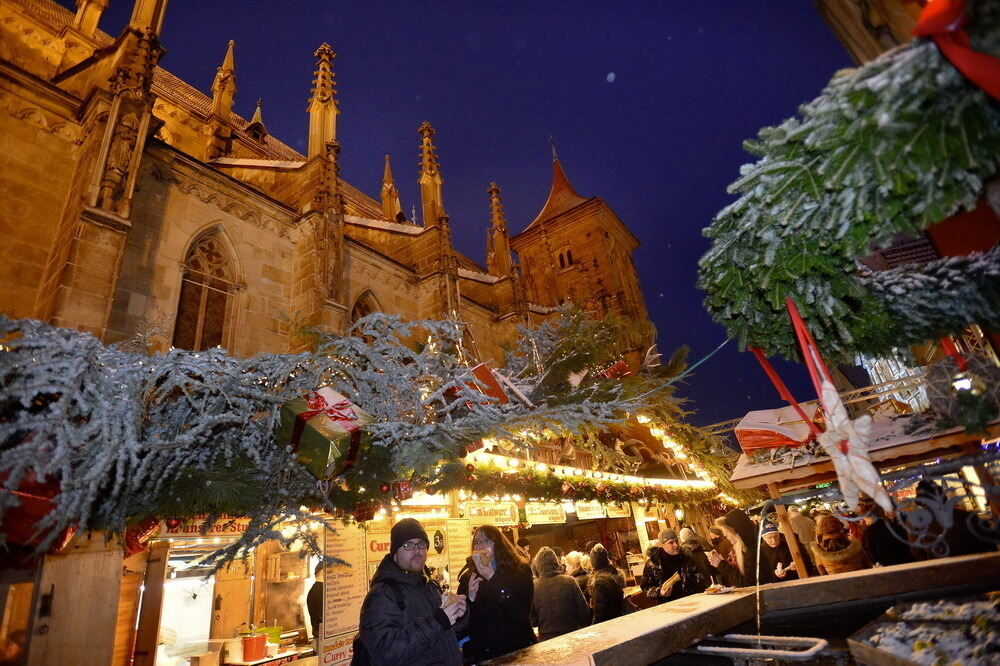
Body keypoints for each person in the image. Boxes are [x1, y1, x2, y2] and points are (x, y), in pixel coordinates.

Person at [356, 518, 467, 665]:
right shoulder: (382, 595)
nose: (417, 550)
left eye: (421, 544)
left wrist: (458, 616)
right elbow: (385, 652)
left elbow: (447, 635)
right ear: (395, 553)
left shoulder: (430, 586)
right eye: (408, 545)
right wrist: (437, 622)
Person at [457, 524, 535, 662]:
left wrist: (493, 578)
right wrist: (470, 600)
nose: (481, 546)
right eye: (477, 541)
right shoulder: (468, 578)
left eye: (487, 540)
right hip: (485, 654)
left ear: (498, 544)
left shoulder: (520, 571)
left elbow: (521, 612)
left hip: (517, 650)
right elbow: (464, 625)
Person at [529, 547, 591, 640]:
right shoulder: (570, 581)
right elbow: (584, 613)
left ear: (537, 566)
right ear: (556, 562)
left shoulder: (534, 587)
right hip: (572, 637)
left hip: (547, 640)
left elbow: (533, 621)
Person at [708, 509, 776, 587]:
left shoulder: (752, 552)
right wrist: (720, 561)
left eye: (726, 531)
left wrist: (721, 564)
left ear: (738, 531)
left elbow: (747, 583)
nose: (725, 535)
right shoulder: (744, 549)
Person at [640, 529, 700, 603]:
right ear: (662, 545)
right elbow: (645, 587)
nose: (676, 545)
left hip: (690, 602)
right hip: (666, 605)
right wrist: (659, 592)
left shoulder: (687, 558)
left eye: (676, 541)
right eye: (671, 542)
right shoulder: (653, 563)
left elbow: (699, 581)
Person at [588, 544, 625, 622]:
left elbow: (599, 614)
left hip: (609, 623)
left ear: (593, 563)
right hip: (620, 620)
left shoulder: (600, 584)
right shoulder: (615, 574)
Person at [307, 563, 325, 654]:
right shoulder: (320, 590)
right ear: (322, 572)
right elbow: (322, 617)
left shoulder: (313, 590)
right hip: (323, 640)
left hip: (319, 638)